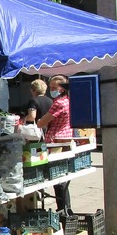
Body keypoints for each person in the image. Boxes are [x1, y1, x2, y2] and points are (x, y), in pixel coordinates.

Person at [37, 75, 73, 213]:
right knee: (62, 177)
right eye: (50, 87)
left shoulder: (58, 103)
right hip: (66, 139)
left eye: (54, 88)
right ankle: (66, 210)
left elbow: (41, 122)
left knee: (58, 179)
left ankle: (63, 210)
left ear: (62, 89)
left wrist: (41, 120)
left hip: (55, 142)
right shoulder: (68, 101)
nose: (51, 90)